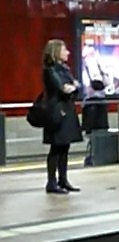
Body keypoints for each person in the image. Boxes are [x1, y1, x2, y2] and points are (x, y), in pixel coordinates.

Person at [40, 39, 83, 194]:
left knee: (65, 147)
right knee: (56, 148)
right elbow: (62, 88)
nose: (68, 53)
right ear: (56, 51)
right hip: (57, 113)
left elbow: (76, 87)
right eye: (65, 50)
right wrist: (71, 87)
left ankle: (63, 180)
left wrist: (72, 87)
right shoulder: (50, 70)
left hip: (67, 111)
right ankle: (51, 183)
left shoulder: (64, 69)